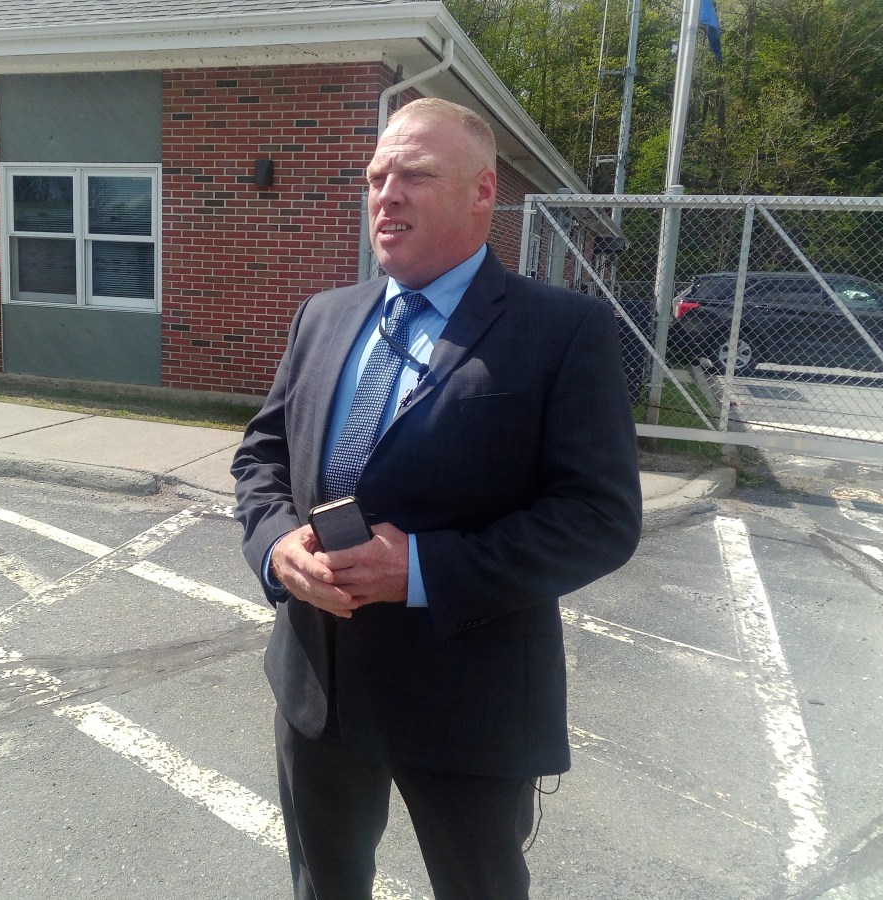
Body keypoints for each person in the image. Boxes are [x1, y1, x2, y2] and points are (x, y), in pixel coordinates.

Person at [231, 97, 642, 899]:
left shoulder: (563, 331)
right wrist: (277, 547)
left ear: (483, 191)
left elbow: (599, 518)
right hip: (318, 688)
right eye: (376, 177)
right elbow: (262, 455)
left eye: (414, 175)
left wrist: (420, 569)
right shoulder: (323, 316)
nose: (387, 195)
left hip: (468, 702)